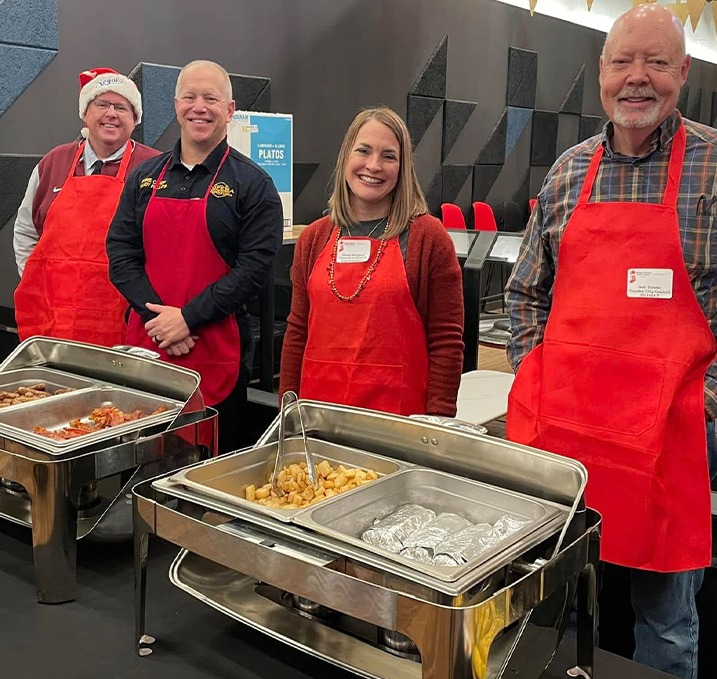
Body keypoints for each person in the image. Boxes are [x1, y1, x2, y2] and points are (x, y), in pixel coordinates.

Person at [505, 4, 717, 679]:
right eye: (622, 62)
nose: (638, 78)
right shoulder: (569, 172)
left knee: (666, 622)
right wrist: (533, 380)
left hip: (671, 440)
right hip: (567, 440)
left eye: (656, 61)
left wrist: (709, 398)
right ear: (601, 75)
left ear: (683, 73)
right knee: (562, 606)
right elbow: (524, 292)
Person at [107, 60, 283, 452]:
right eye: (189, 96)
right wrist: (159, 319)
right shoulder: (144, 177)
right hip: (149, 343)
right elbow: (120, 252)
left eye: (211, 98)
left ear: (230, 110)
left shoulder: (253, 185)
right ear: (175, 105)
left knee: (209, 467)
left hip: (215, 349)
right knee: (141, 462)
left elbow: (254, 271)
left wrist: (187, 318)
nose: (199, 107)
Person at [279, 106, 464, 416]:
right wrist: (287, 408)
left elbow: (446, 341)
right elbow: (297, 330)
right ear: (345, 157)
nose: (373, 165)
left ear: (403, 167)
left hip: (398, 422)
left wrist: (437, 423)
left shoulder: (428, 239)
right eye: (363, 151)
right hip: (318, 416)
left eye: (389, 156)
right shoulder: (314, 238)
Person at [14, 67, 159, 346]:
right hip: (53, 320)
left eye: (121, 107)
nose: (111, 114)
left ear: (135, 118)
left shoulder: (155, 169)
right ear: (85, 113)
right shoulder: (53, 163)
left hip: (125, 321)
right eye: (101, 104)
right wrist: (35, 281)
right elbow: (25, 231)